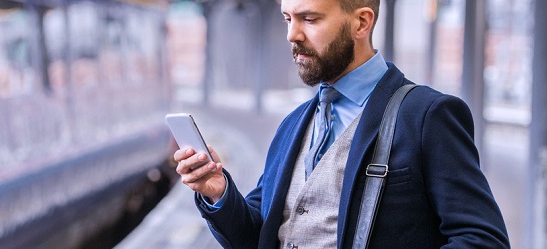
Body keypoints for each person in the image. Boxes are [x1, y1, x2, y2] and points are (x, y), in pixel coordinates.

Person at [173, 0, 510, 247]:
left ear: (361, 23)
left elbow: (483, 239)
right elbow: (256, 237)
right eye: (287, 18)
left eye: (309, 19)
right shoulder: (291, 126)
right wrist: (219, 193)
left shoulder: (427, 115)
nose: (292, 34)